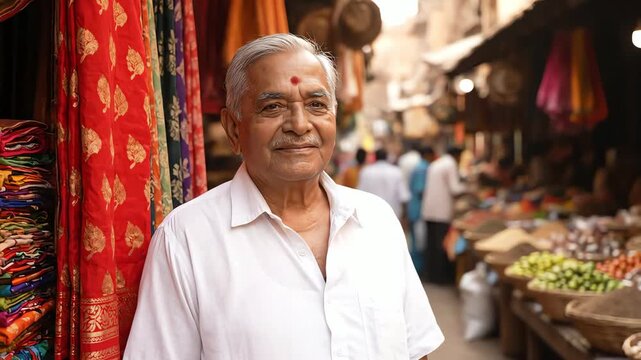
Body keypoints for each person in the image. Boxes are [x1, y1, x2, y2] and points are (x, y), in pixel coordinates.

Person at [124, 34, 443, 360]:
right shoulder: (187, 239)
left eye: (317, 104)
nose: (300, 125)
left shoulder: (376, 220)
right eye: (273, 106)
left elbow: (415, 349)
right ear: (234, 129)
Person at [421, 145, 466, 284]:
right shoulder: (450, 164)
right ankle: (441, 278)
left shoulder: (436, 163)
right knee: (441, 245)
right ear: (457, 155)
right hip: (441, 211)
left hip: (429, 210)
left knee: (431, 244)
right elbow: (455, 188)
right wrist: (468, 188)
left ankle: (431, 275)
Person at [357, 148, 411, 219]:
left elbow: (360, 193)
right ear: (387, 157)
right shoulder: (396, 171)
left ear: (375, 157)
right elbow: (404, 196)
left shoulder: (366, 171)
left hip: (371, 214)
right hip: (393, 213)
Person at [407, 145, 436, 271]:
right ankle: (418, 269)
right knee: (419, 242)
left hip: (414, 208)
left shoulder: (419, 167)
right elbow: (420, 189)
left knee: (416, 241)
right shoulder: (424, 168)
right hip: (418, 209)